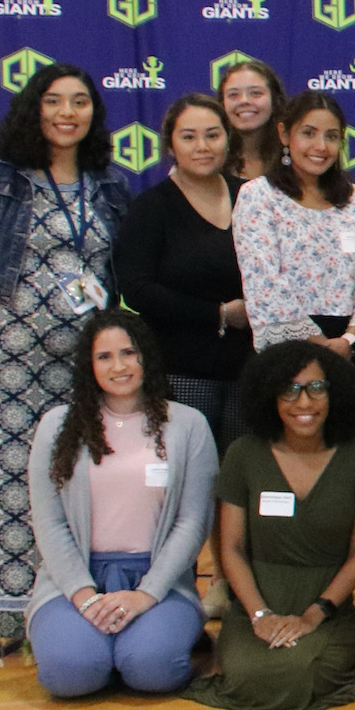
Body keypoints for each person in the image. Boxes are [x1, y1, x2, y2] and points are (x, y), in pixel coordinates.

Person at [0, 61, 135, 638]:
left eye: (79, 101)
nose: (67, 113)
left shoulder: (110, 184)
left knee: (65, 479)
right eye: (53, 101)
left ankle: (64, 608)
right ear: (33, 108)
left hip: (79, 365)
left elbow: (113, 270)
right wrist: (1, 312)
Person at [25, 312, 217, 698]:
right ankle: (96, 649)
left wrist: (146, 594)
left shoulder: (187, 425)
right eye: (105, 357)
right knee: (70, 674)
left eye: (129, 353)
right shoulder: (56, 426)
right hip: (75, 581)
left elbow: (192, 522)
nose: (119, 366)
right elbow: (49, 524)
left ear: (147, 356)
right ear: (89, 366)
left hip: (157, 578)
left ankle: (137, 645)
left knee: (153, 670)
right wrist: (85, 596)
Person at [187, 341, 355, 710]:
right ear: (270, 396)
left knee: (306, 671)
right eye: (289, 390)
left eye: (316, 387)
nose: (304, 402)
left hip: (327, 607)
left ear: (333, 392)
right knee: (245, 678)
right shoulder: (243, 455)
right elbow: (231, 549)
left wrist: (314, 614)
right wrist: (260, 616)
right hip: (254, 602)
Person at [114, 92, 251, 445]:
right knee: (189, 478)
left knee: (240, 484)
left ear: (228, 139)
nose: (202, 146)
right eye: (188, 137)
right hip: (180, 370)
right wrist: (218, 314)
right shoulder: (151, 207)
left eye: (212, 135)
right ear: (171, 146)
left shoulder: (254, 197)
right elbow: (137, 288)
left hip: (252, 370)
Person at [231, 90, 355, 355]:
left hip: (347, 348)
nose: (321, 146)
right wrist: (320, 344)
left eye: (331, 136)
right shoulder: (258, 196)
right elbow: (264, 280)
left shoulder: (353, 198)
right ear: (285, 135)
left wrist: (348, 340)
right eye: (308, 133)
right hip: (286, 348)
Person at [219, 58, 287, 184]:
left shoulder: (294, 158)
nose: (244, 101)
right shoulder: (211, 160)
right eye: (233, 95)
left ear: (275, 100)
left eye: (255, 93)